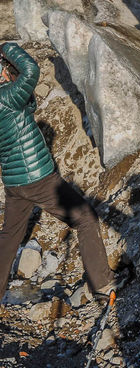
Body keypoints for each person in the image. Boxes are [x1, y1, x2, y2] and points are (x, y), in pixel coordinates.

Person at [0, 41, 116, 302]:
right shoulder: (6, 97)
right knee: (85, 218)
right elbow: (30, 70)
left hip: (15, 183)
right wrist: (7, 47)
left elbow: (28, 108)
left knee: (9, 239)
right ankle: (102, 284)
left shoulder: (8, 100)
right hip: (38, 178)